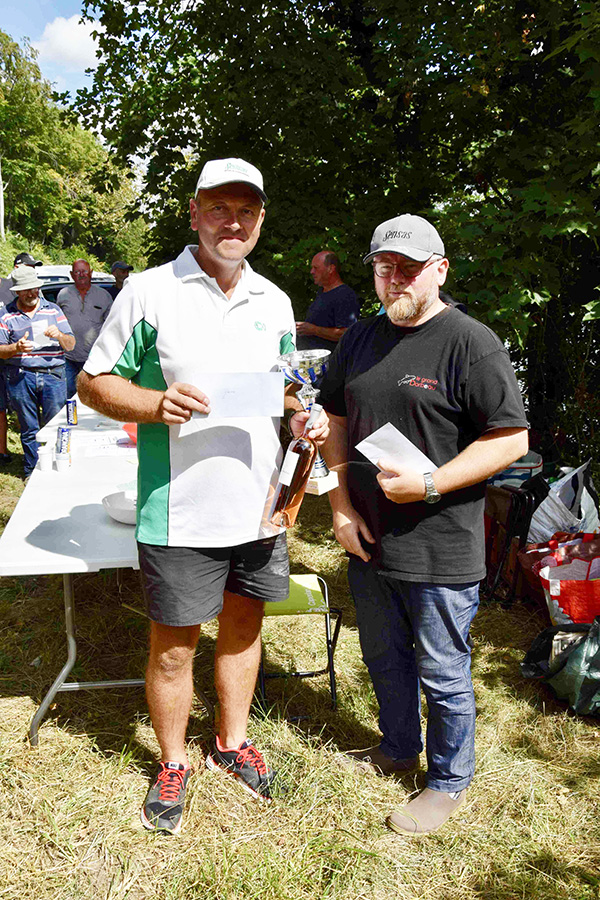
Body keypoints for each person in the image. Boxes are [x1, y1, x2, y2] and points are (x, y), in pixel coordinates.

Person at [77, 157, 328, 835]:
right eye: (219, 207)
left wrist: (303, 416)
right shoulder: (152, 291)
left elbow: (286, 388)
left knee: (244, 631)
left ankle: (229, 742)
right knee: (174, 648)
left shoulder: (274, 300)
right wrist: (156, 403)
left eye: (246, 210)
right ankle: (171, 762)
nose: (233, 221)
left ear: (261, 220)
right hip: (178, 508)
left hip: (259, 506)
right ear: (195, 212)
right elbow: (94, 383)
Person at [319, 213, 528, 837]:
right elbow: (331, 417)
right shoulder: (358, 337)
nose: (394, 281)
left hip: (440, 543)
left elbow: (512, 439)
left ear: (439, 270)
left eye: (407, 269)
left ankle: (447, 780)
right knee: (382, 654)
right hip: (366, 535)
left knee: (442, 668)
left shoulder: (470, 342)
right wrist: (339, 507)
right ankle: (397, 744)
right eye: (384, 269)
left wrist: (432, 482)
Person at [0, 265, 75, 476]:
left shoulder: (53, 309)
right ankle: (33, 471)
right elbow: (0, 350)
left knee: (56, 426)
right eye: (25, 290)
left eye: (34, 288)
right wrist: (15, 348)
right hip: (20, 376)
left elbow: (71, 344)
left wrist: (59, 335)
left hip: (54, 375)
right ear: (16, 291)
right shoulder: (5, 314)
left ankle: (59, 467)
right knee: (29, 428)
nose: (31, 293)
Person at [0, 252, 46, 463]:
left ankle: (39, 456)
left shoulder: (37, 291)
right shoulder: (3, 286)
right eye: (29, 266)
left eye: (34, 267)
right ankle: (4, 452)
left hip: (26, 360)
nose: (32, 270)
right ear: (17, 267)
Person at [56, 259, 113, 398]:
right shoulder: (63, 294)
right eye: (77, 271)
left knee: (93, 396)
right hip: (68, 357)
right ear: (71, 274)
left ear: (91, 273)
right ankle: (70, 420)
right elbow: (56, 322)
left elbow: (111, 325)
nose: (81, 274)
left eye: (85, 271)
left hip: (94, 357)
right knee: (68, 396)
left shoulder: (104, 296)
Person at [295, 251, 361, 352]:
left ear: (331, 269)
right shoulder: (322, 292)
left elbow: (347, 333)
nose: (312, 272)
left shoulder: (344, 295)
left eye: (316, 268)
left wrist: (314, 330)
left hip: (331, 363)